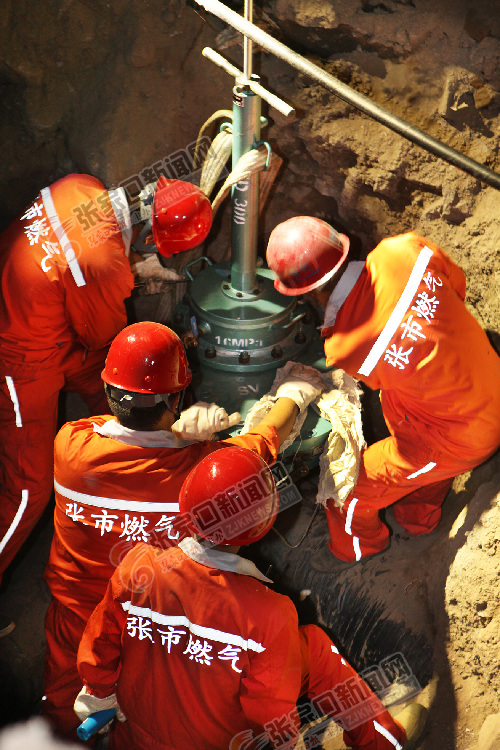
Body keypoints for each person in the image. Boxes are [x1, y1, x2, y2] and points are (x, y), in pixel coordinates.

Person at [43, 319, 325, 740]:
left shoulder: (69, 445)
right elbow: (263, 442)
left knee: (65, 707)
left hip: (74, 614)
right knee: (153, 708)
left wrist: (173, 430)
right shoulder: (200, 468)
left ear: (107, 388)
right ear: (176, 396)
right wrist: (294, 393)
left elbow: (121, 439)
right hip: (151, 622)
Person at [74, 445, 425, 750]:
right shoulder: (268, 614)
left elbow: (100, 644)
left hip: (134, 739)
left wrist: (99, 694)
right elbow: (269, 713)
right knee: (315, 648)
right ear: (264, 523)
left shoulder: (137, 567)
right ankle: (384, 741)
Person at [0, 173, 213, 617]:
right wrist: (124, 275)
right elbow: (102, 338)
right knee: (27, 489)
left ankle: (133, 464)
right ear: (150, 239)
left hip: (33, 310)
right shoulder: (104, 266)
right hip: (19, 353)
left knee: (116, 392)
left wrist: (123, 268)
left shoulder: (83, 187)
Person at [266, 217, 500, 566]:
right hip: (485, 380)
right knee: (414, 432)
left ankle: (358, 555)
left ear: (306, 292)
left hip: (460, 438)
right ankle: (417, 521)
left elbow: (368, 371)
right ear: (341, 246)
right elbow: (455, 284)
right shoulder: (405, 248)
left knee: (344, 490)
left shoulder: (344, 346)